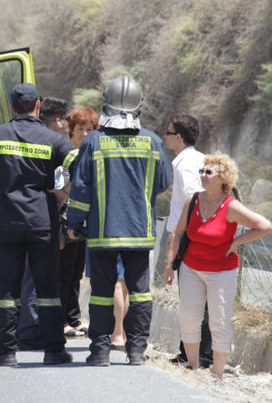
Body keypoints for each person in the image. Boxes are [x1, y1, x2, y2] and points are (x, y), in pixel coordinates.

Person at [0, 83, 75, 367]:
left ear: (12, 107)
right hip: (41, 221)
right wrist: (64, 192)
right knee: (47, 288)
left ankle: (6, 352)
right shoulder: (52, 139)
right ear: (38, 106)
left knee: (8, 290)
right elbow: (81, 164)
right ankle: (54, 351)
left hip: (7, 221)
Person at [67, 75, 171, 366]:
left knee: (101, 292)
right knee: (139, 293)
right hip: (140, 231)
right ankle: (136, 351)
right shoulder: (152, 141)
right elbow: (162, 181)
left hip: (102, 232)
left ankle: (100, 351)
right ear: (139, 104)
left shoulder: (94, 142)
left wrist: (74, 222)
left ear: (106, 103)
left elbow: (81, 189)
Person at [163, 153, 271, 380]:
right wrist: (169, 264)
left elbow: (264, 226)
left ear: (223, 178)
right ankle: (192, 368)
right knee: (189, 317)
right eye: (202, 170)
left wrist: (237, 242)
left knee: (219, 320)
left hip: (222, 272)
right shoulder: (192, 200)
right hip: (191, 268)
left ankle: (217, 374)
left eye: (208, 172)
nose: (202, 175)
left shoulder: (231, 206)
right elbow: (178, 232)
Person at [17, 96, 70, 349]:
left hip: (15, 216)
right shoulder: (55, 144)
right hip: (41, 217)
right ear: (59, 121)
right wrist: (65, 193)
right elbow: (77, 169)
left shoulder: (21, 138)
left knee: (27, 276)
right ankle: (31, 329)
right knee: (37, 277)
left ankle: (28, 326)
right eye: (67, 120)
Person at [162, 114, 212, 368]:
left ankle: (197, 356)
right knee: (197, 298)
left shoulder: (185, 164)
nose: (165, 136)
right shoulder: (198, 158)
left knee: (193, 299)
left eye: (168, 132)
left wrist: (183, 237)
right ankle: (194, 353)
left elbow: (195, 199)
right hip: (195, 237)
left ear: (178, 137)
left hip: (189, 238)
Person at [58, 107, 98, 337]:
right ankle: (62, 318)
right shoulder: (66, 155)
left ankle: (74, 318)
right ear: (71, 131)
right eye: (80, 129)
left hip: (84, 223)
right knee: (63, 271)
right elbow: (60, 189)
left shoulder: (92, 155)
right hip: (65, 220)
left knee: (76, 272)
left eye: (89, 129)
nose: (84, 134)